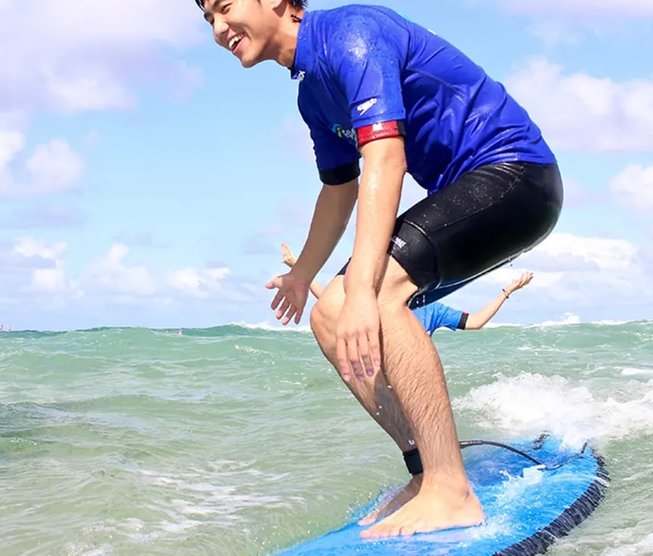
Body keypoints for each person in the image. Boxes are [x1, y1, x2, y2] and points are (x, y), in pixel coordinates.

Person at [197, 1, 562, 537]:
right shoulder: (311, 92)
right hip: (471, 190)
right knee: (331, 312)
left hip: (516, 175)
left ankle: (452, 490)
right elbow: (339, 189)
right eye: (208, 18)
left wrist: (367, 289)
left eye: (225, 7)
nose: (218, 28)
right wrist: (304, 275)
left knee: (377, 293)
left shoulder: (352, 34)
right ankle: (425, 470)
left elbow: (386, 159)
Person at [282, 243, 535, 335]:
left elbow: (475, 322)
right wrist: (299, 269)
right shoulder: (380, 300)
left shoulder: (432, 309)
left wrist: (507, 291)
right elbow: (331, 300)